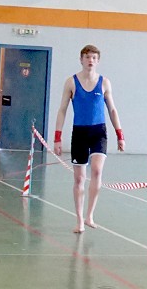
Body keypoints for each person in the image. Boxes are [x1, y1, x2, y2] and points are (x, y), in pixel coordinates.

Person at [53, 45, 124, 233]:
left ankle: (90, 214)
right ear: (81, 60)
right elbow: (62, 110)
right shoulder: (71, 82)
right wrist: (57, 137)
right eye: (87, 57)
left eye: (93, 57)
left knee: (97, 170)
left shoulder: (104, 82)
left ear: (98, 61)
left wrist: (120, 134)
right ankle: (79, 219)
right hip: (80, 133)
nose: (90, 60)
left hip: (99, 131)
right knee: (79, 178)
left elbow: (112, 109)